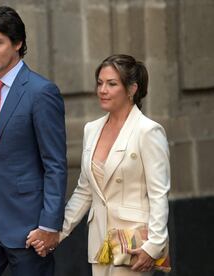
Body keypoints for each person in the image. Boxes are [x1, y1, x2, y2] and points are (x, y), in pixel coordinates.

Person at [27, 54, 170, 276]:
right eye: (100, 83)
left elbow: (159, 194)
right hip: (99, 242)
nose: (102, 90)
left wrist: (154, 246)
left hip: (134, 243)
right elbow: (85, 191)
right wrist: (56, 232)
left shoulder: (148, 131)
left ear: (132, 89)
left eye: (112, 84)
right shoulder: (91, 129)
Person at [0, 6, 67, 276]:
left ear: (18, 43)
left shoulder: (41, 92)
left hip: (28, 227)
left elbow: (55, 163)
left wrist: (49, 225)